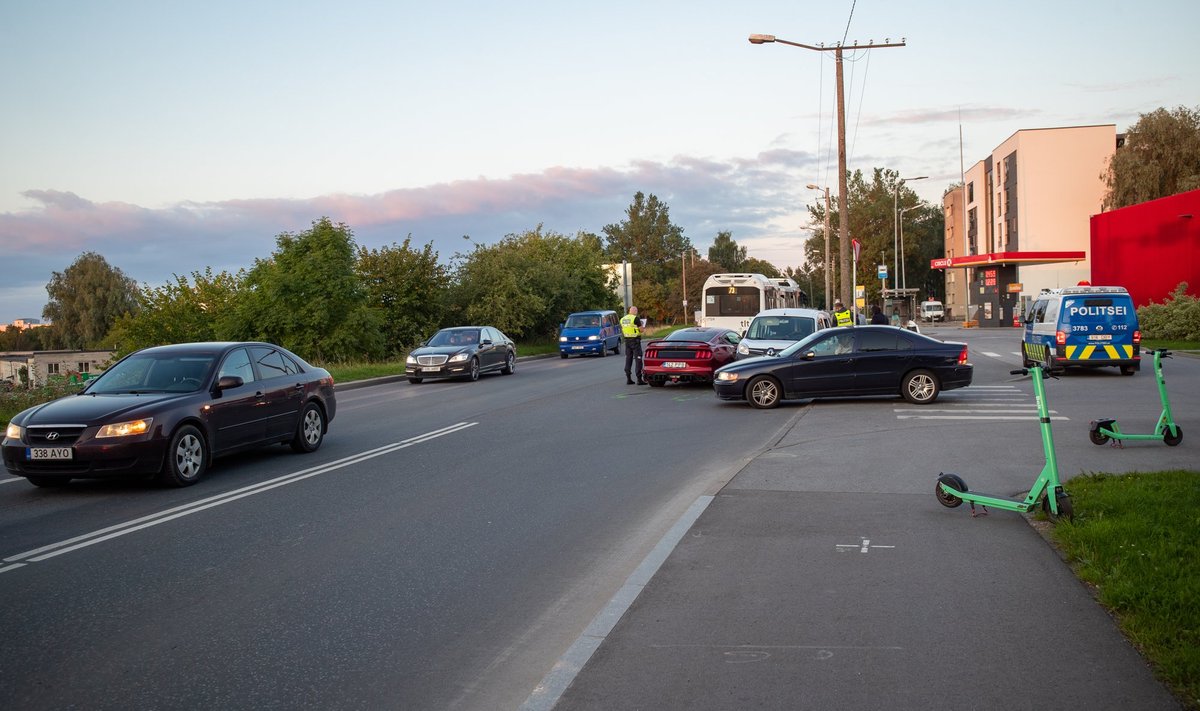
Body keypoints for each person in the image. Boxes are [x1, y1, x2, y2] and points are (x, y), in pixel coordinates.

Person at [620, 306, 645, 385]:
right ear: (634, 311)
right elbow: (641, 330)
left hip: (627, 341)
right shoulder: (635, 318)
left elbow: (623, 329)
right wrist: (642, 328)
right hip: (635, 341)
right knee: (638, 359)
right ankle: (639, 379)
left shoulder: (622, 319)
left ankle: (628, 378)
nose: (636, 312)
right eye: (636, 310)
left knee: (628, 359)